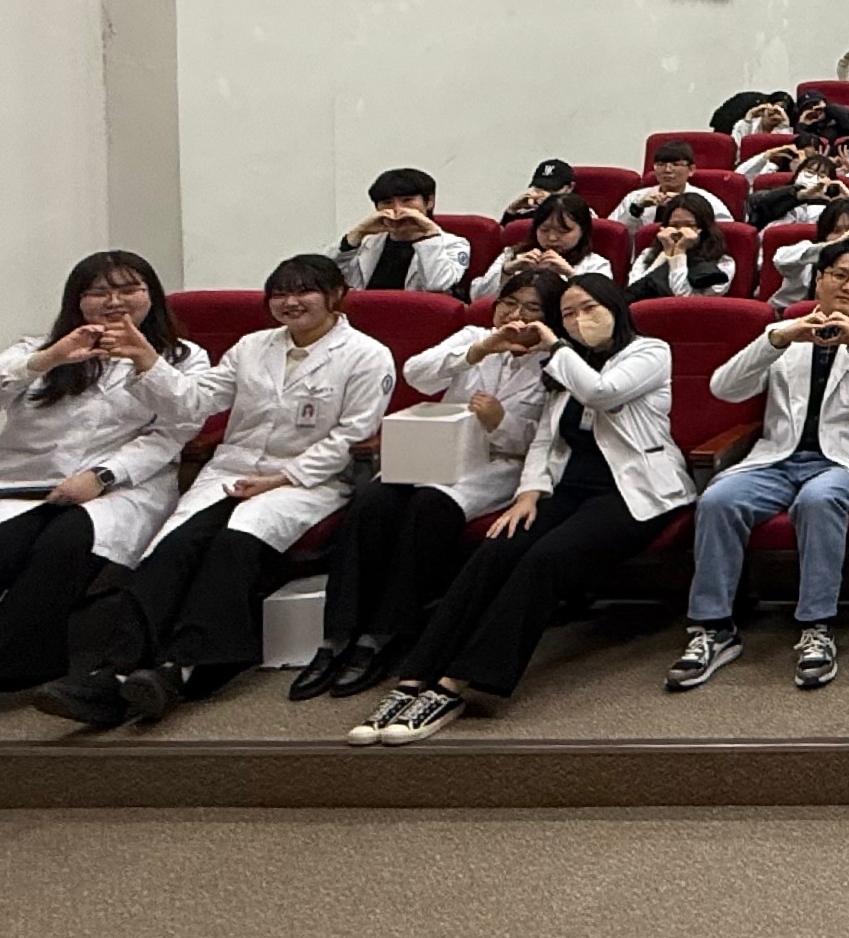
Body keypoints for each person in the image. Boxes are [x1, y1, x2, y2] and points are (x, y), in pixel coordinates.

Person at [34, 255, 393, 729]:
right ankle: (113, 670)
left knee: (231, 548)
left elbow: (350, 437)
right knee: (171, 550)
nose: (290, 302)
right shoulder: (253, 346)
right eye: (280, 294)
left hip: (307, 482)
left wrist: (280, 479)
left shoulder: (367, 355)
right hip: (232, 470)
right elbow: (195, 401)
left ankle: (180, 668)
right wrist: (147, 360)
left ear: (336, 296)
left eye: (304, 291)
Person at [348, 275, 693, 745]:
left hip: (636, 492)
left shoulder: (648, 352)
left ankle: (456, 683)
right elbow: (546, 440)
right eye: (568, 314)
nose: (579, 320)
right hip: (567, 487)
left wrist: (556, 345)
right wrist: (528, 493)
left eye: (588, 308)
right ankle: (415, 675)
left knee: (543, 559)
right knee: (497, 548)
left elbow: (602, 392)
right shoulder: (564, 364)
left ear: (615, 307)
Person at [0, 252, 206, 736]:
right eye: (98, 292)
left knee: (60, 549)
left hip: (117, 488)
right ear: (77, 300)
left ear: (151, 295)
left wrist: (104, 474)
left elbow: (180, 425)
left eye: (128, 289)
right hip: (17, 484)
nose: (114, 302)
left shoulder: (181, 357)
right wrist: (47, 359)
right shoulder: (39, 348)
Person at [297, 269, 567, 701]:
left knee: (430, 505)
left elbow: (544, 441)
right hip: (435, 450)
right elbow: (417, 374)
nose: (516, 316)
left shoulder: (557, 361)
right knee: (372, 501)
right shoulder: (474, 337)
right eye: (509, 304)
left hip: (496, 465)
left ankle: (385, 633)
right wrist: (480, 350)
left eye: (532, 309)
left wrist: (500, 421)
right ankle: (338, 634)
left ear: (550, 317)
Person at [666, 240, 849, 693]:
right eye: (839, 275)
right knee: (718, 500)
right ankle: (714, 628)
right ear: (818, 279)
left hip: (841, 460)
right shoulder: (785, 330)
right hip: (777, 457)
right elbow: (724, 388)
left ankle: (816, 627)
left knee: (818, 501)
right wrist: (776, 340)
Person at [335, 166, 472, 294]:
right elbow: (329, 280)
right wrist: (358, 233)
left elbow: (437, 285)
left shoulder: (454, 244)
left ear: (429, 202)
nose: (397, 209)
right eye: (387, 202)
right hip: (367, 309)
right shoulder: (369, 242)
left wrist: (428, 231)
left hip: (416, 311)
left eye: (407, 201)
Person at [472, 191, 609, 301]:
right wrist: (507, 271)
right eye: (544, 230)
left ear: (583, 230)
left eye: (563, 231)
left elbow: (602, 308)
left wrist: (570, 274)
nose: (552, 238)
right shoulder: (513, 254)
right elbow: (477, 298)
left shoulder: (596, 264)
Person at [628, 191, 735, 297]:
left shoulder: (723, 263)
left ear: (704, 229)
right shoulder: (647, 254)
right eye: (674, 225)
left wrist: (679, 253)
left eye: (689, 225)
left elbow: (685, 299)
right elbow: (634, 293)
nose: (680, 231)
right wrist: (666, 254)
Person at [770, 199, 849, 305]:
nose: (846, 236)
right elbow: (780, 259)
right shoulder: (809, 254)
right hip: (794, 312)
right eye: (836, 231)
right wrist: (834, 246)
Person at [611, 141, 728, 231]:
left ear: (691, 170)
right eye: (661, 164)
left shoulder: (708, 201)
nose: (667, 170)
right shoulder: (636, 198)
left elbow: (724, 233)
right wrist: (637, 209)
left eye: (676, 165)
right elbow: (615, 234)